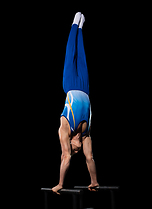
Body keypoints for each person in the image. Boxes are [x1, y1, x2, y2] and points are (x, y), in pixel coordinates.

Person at [52, 12, 99, 194]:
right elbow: (90, 158)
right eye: (76, 152)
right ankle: (81, 28)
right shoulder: (86, 136)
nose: (75, 152)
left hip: (70, 85)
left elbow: (65, 157)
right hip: (85, 88)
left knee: (71, 54)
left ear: (71, 143)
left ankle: (74, 25)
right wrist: (93, 181)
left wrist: (60, 183)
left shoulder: (64, 130)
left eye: (74, 151)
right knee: (82, 58)